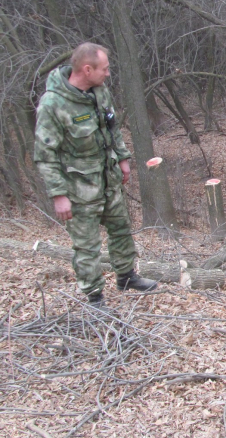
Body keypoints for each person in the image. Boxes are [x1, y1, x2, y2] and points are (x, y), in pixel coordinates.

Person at [34, 42, 158, 308]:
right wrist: (58, 195)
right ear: (87, 69)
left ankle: (126, 277)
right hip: (78, 189)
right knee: (87, 246)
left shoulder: (100, 92)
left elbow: (112, 128)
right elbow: (45, 155)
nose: (108, 74)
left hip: (108, 180)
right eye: (104, 69)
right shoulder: (53, 104)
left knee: (121, 231)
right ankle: (94, 296)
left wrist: (123, 158)